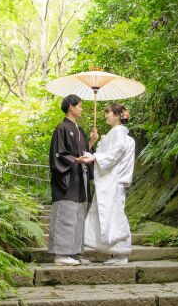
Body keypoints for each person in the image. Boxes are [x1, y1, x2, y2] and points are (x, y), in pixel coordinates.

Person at [47, 94, 98, 266]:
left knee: (78, 215)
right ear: (71, 107)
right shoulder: (61, 128)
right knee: (66, 215)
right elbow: (58, 154)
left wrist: (90, 142)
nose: (81, 109)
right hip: (67, 179)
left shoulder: (80, 130)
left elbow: (83, 152)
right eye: (80, 106)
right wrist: (75, 160)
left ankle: (74, 253)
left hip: (80, 178)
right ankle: (60, 255)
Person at [82, 103, 135, 264]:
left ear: (118, 115)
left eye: (109, 113)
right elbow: (109, 154)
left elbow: (115, 153)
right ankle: (118, 252)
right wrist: (92, 143)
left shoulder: (118, 133)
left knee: (115, 215)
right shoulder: (117, 133)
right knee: (110, 215)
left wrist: (96, 157)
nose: (106, 116)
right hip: (111, 181)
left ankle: (122, 253)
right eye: (105, 113)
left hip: (113, 180)